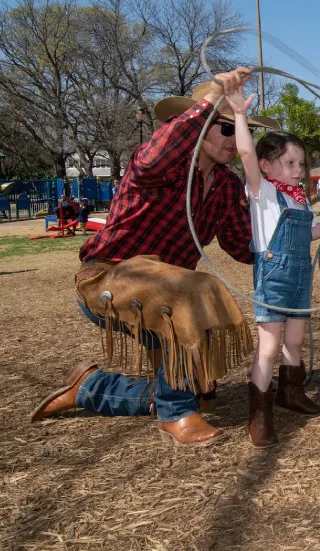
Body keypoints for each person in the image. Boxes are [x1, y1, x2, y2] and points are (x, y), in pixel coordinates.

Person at [30, 68, 273, 446]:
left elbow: (243, 246)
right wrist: (210, 98)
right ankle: (175, 413)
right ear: (198, 125)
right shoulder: (160, 168)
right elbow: (151, 160)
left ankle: (92, 388)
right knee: (188, 288)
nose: (235, 138)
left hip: (168, 294)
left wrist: (290, 239)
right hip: (108, 279)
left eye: (239, 129)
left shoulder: (226, 185)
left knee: (201, 393)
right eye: (224, 127)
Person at [234, 85, 320, 447]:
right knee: (269, 347)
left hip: (300, 274)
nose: (298, 169)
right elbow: (244, 152)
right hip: (273, 275)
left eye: (301, 164)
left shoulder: (300, 201)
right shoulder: (263, 193)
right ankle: (260, 412)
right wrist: (240, 114)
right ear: (268, 165)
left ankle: (290, 392)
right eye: (290, 162)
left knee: (295, 339)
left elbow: (309, 235)